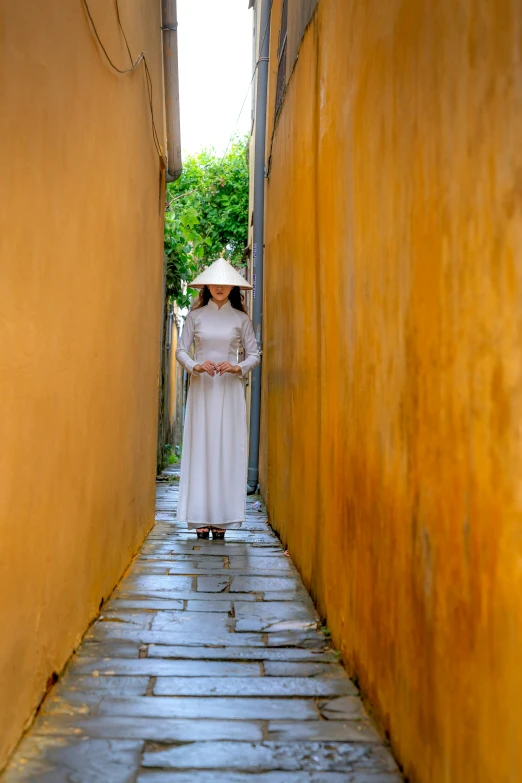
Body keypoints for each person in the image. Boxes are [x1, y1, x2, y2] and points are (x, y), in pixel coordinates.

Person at [175, 258, 260, 539]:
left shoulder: (241, 319)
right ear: (207, 286)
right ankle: (199, 515)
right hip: (202, 390)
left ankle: (222, 518)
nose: (220, 287)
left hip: (230, 391)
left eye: (225, 283)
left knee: (226, 446)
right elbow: (181, 350)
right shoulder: (195, 316)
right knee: (202, 445)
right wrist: (195, 366)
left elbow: (253, 355)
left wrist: (237, 367)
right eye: (215, 282)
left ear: (232, 287)